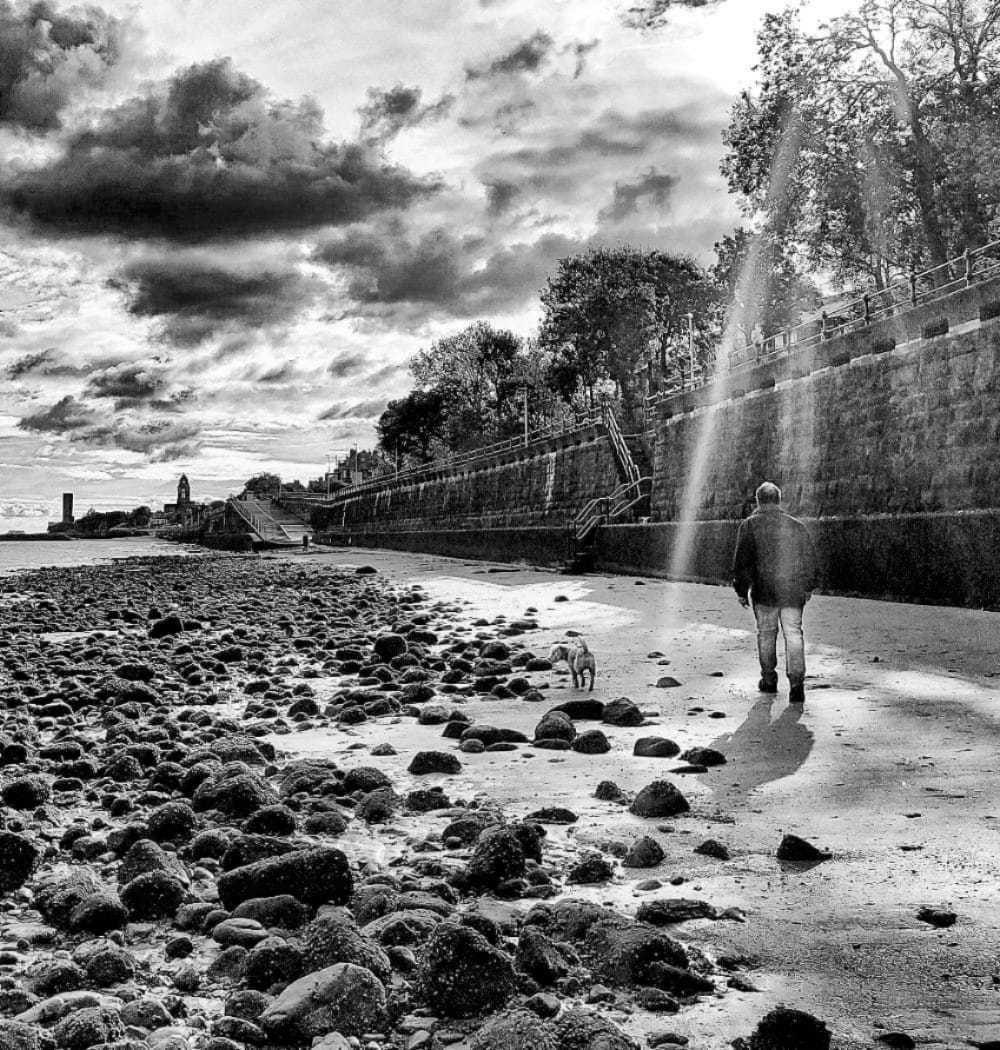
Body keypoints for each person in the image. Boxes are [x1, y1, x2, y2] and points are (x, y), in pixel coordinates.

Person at [732, 481, 819, 704]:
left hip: (764, 591)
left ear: (758, 501)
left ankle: (769, 680)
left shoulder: (750, 525)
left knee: (766, 634)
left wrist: (741, 590)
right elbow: (809, 558)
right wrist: (808, 586)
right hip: (792, 591)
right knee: (794, 635)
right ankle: (797, 685)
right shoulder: (796, 526)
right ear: (779, 500)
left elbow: (742, 561)